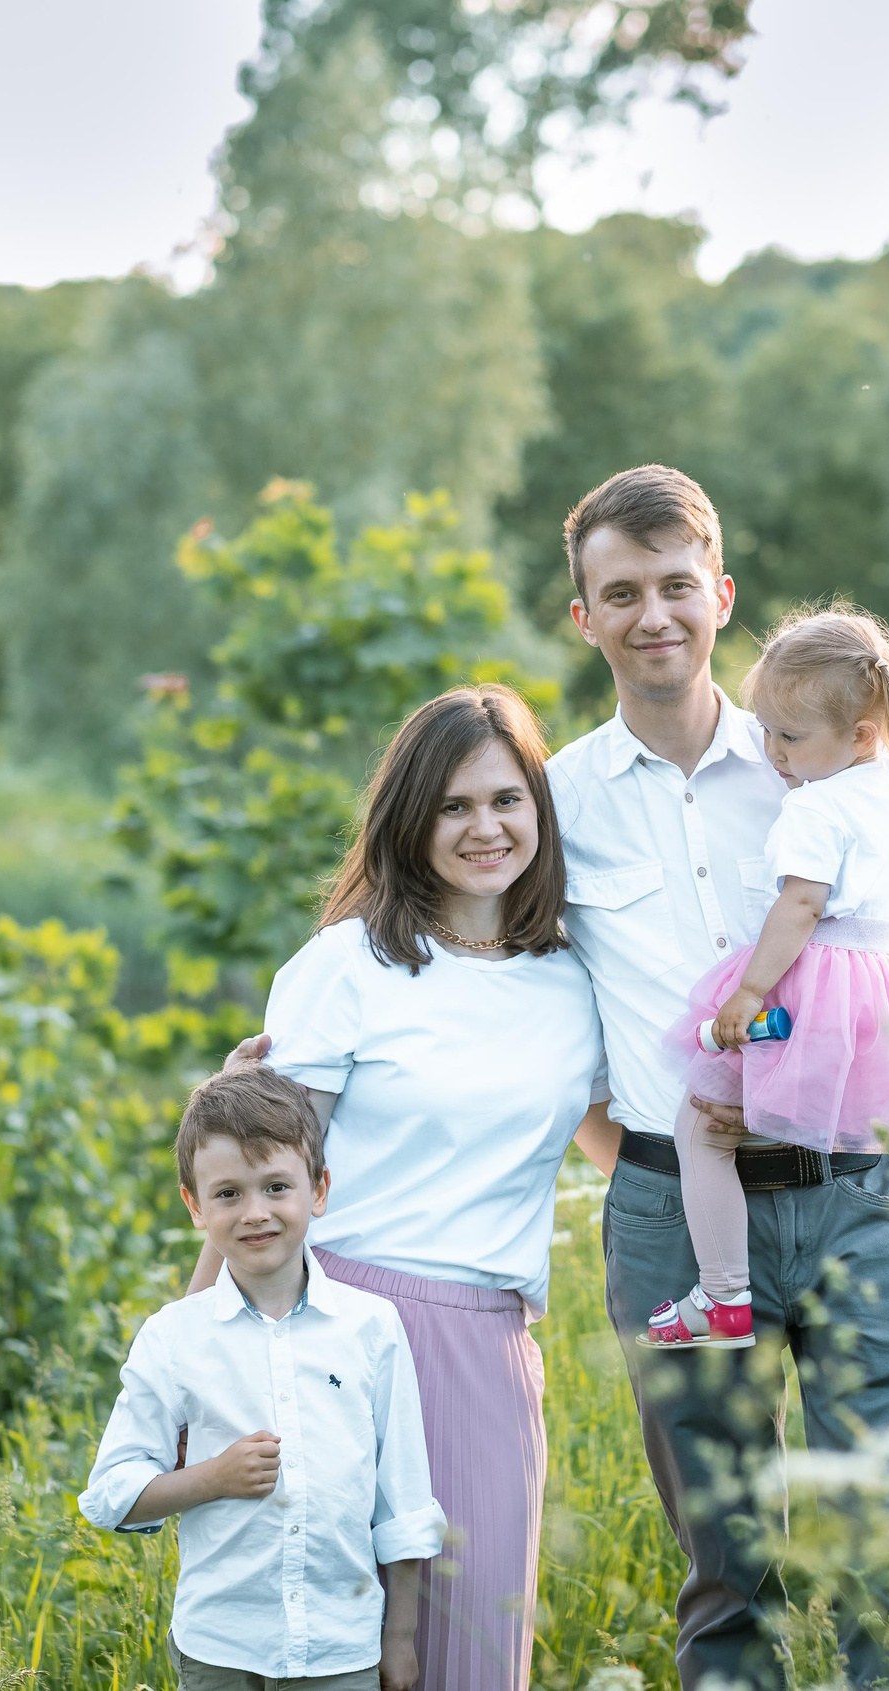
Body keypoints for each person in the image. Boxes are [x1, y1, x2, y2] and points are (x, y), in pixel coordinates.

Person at [546, 464, 889, 1689]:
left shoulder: (820, 770)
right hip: (676, 1211)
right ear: (584, 618)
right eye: (621, 593)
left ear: (719, 594)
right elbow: (522, 1005)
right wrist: (637, 1169)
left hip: (858, 1200)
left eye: (677, 585)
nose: (653, 614)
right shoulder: (555, 804)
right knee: (728, 1565)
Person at [213, 684, 619, 1691]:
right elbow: (262, 1186)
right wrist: (200, 1355)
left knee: (472, 1658)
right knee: (332, 1657)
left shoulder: (574, 981)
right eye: (452, 806)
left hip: (486, 1344)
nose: (484, 828)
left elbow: (618, 1146)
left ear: (539, 809)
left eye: (506, 800)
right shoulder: (345, 967)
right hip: (336, 1333)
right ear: (410, 820)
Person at [639, 606, 889, 1350]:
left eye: (790, 736)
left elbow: (803, 903)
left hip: (820, 978)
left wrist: (749, 991)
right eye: (765, 731)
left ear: (860, 735)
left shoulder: (814, 807)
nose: (773, 753)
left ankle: (721, 1295)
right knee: (878, 1098)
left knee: (701, 1127)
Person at [78, 1062, 447, 1691]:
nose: (255, 1212)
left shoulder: (372, 1327)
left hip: (341, 1647)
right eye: (228, 1194)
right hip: (220, 1647)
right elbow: (110, 1494)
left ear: (319, 1190)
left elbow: (403, 1501)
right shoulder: (173, 1338)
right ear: (195, 1206)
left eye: (277, 1187)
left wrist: (400, 1642)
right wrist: (210, 1479)